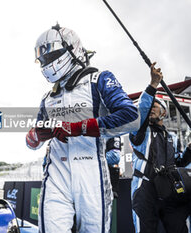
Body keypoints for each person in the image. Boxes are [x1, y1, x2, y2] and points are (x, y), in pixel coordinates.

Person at [26, 23, 143, 233]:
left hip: (92, 176)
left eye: (51, 57)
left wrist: (78, 128)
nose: (47, 63)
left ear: (72, 49)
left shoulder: (99, 80)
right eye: (43, 59)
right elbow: (33, 140)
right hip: (56, 175)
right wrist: (34, 137)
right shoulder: (47, 98)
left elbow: (132, 118)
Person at [129, 65, 191, 233]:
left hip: (169, 189)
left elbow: (179, 162)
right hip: (145, 188)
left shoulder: (172, 137)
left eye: (154, 106)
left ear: (164, 112)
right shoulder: (141, 131)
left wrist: (190, 150)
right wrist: (153, 84)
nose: (150, 108)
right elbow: (141, 110)